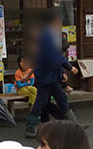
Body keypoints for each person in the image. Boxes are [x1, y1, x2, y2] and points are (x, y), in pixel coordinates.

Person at [25, 9, 78, 137]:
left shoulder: (46, 34)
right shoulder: (48, 35)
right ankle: (30, 128)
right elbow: (55, 55)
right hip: (47, 75)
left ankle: (74, 126)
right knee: (41, 102)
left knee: (61, 97)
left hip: (49, 74)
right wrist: (69, 67)